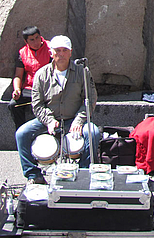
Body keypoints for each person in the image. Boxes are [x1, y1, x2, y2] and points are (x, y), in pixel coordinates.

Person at [15, 35, 101, 184]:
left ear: (70, 52)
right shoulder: (41, 75)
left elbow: (90, 99)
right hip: (49, 119)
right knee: (22, 134)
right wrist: (48, 120)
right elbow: (37, 103)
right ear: (51, 53)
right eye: (57, 50)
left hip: (73, 120)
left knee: (92, 132)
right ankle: (33, 174)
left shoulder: (83, 72)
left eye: (64, 50)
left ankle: (84, 171)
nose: (61, 54)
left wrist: (79, 120)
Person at [8, 26, 51, 129]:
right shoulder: (22, 53)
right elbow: (18, 76)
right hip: (29, 88)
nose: (36, 41)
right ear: (26, 41)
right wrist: (17, 90)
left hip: (47, 87)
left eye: (37, 37)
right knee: (13, 105)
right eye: (32, 39)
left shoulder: (50, 49)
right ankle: (21, 131)